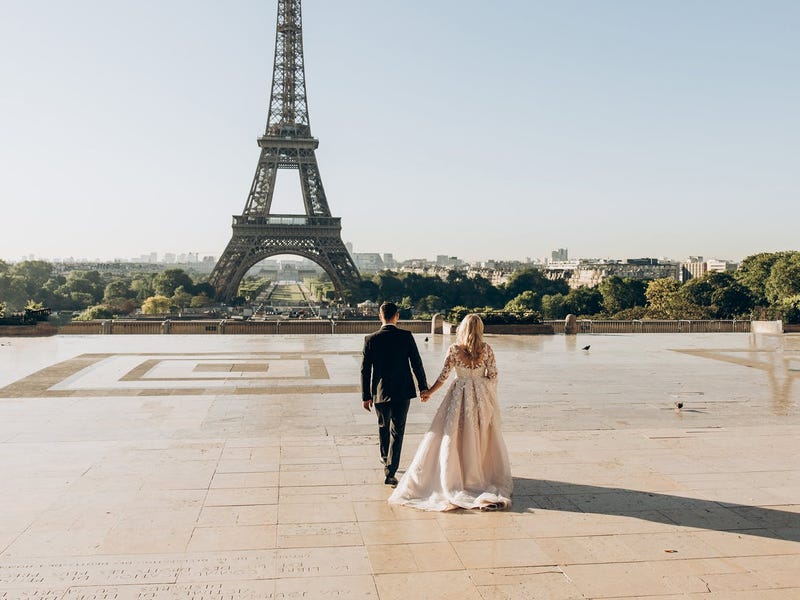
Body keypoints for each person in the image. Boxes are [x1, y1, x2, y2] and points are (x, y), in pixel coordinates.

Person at [388, 314, 512, 511]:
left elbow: (444, 376)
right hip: (480, 397)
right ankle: (477, 473)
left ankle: (455, 475)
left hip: (459, 394)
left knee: (453, 435)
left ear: (462, 328)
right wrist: (482, 388)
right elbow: (494, 375)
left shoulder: (454, 350)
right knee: (479, 435)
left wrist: (428, 392)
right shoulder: (486, 349)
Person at [361, 301, 429, 486]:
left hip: (380, 391)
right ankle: (390, 470)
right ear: (397, 316)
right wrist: (423, 387)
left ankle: (385, 457)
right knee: (397, 431)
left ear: (380, 316)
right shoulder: (406, 336)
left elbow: (365, 370)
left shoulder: (370, 339)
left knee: (383, 426)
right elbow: (417, 363)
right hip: (402, 391)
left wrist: (365, 395)